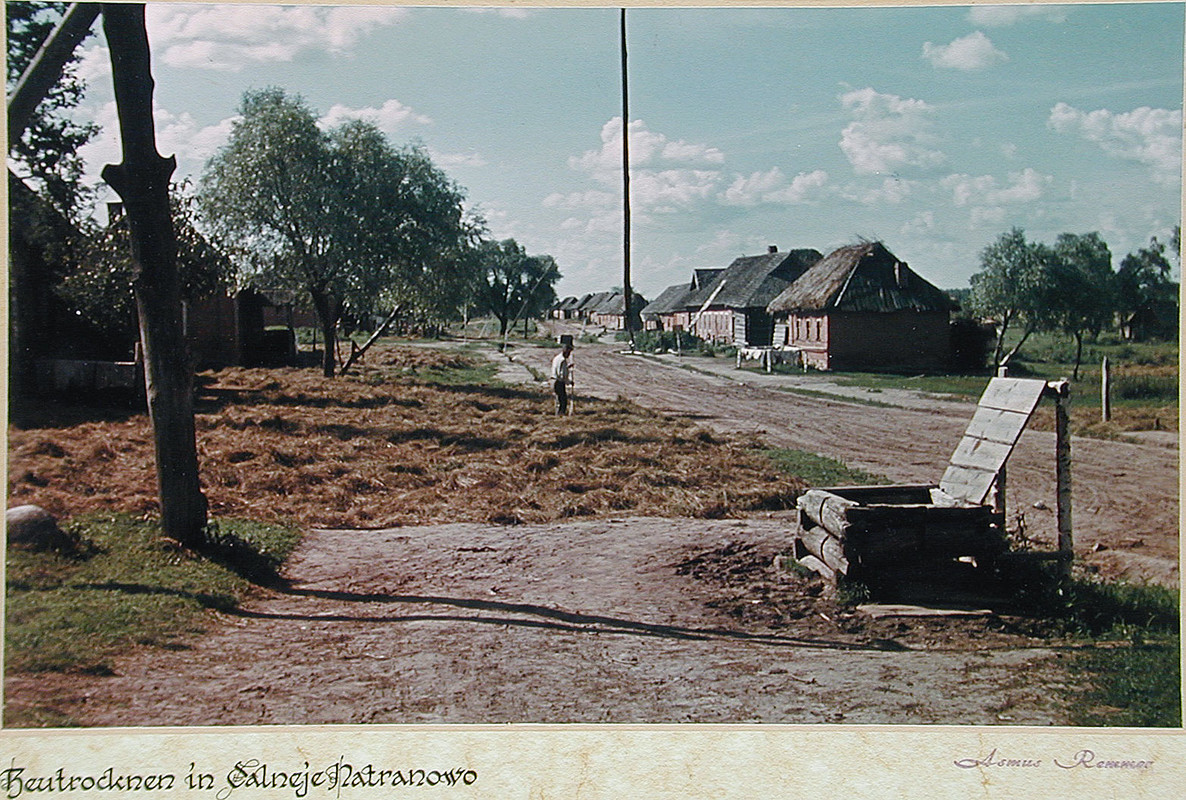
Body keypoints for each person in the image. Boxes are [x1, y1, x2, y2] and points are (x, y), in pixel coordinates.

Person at [551, 342, 574, 415]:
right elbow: (561, 374)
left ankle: (559, 413)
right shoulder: (562, 360)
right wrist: (569, 382)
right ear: (565, 351)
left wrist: (568, 367)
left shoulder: (557, 358)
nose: (569, 355)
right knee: (563, 400)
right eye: (568, 352)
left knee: (560, 399)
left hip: (556, 381)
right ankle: (561, 414)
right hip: (559, 382)